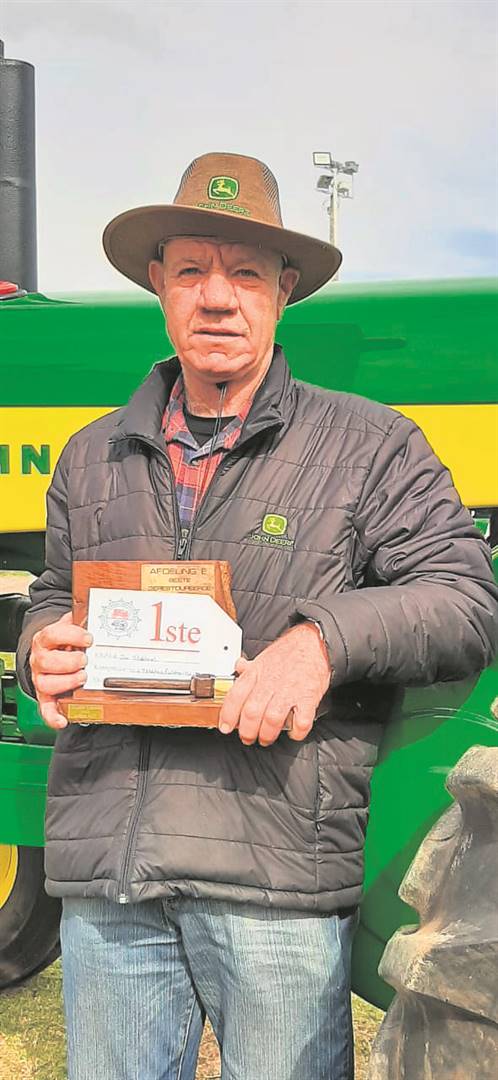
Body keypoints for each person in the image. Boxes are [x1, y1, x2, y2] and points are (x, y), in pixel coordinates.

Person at [17, 152, 498, 1080]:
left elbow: (466, 599)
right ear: (158, 285)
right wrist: (44, 644)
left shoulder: (371, 446)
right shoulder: (88, 455)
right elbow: (53, 591)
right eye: (192, 270)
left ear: (283, 292)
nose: (217, 297)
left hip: (273, 883)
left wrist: (322, 643)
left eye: (244, 273)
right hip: (110, 884)